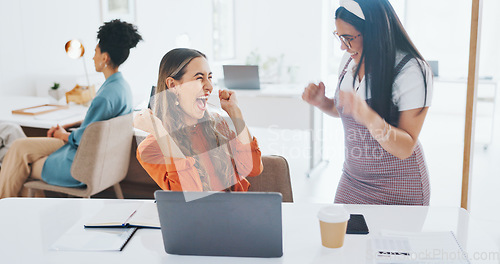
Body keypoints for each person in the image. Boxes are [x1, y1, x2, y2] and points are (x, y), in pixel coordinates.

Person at [302, 0, 433, 205]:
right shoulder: (349, 61)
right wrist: (323, 102)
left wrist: (370, 118)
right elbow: (347, 111)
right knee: (341, 236)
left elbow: (405, 147)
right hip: (353, 181)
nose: (342, 47)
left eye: (347, 38)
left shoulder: (411, 70)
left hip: (399, 187)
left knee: (388, 239)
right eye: (339, 36)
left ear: (374, 32)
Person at [0, 19, 142, 198]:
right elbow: (94, 130)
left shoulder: (105, 96)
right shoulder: (122, 87)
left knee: (19, 163)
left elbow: (86, 138)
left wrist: (64, 135)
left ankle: (5, 211)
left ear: (104, 58)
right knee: (19, 147)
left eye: (95, 52)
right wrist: (67, 133)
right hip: (92, 157)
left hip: (77, 164)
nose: (92, 57)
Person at [134, 48, 263, 192]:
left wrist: (235, 112)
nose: (209, 86)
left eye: (210, 77)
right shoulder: (151, 148)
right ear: (173, 86)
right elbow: (189, 193)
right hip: (196, 214)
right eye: (199, 78)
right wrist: (159, 132)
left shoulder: (217, 126)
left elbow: (254, 168)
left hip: (234, 210)